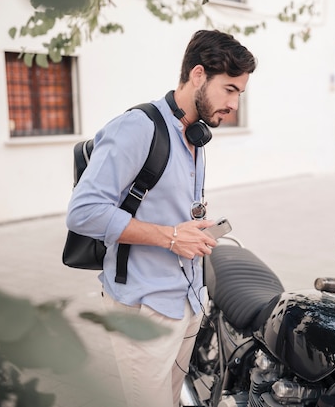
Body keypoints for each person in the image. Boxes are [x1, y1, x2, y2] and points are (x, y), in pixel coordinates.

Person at [65, 29, 257, 406]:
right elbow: (83, 212)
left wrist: (191, 229)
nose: (234, 104)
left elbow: (166, 208)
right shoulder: (137, 127)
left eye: (240, 93)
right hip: (145, 306)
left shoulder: (196, 134)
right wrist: (170, 236)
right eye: (230, 89)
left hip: (187, 298)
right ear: (198, 75)